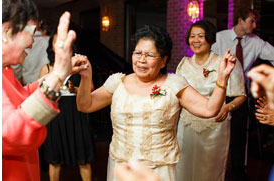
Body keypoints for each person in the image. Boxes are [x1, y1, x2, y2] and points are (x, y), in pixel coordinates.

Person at [76, 25, 236, 180]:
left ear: (163, 61)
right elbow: (85, 105)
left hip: (159, 170)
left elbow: (209, 109)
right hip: (121, 167)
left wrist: (222, 78)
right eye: (137, 53)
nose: (141, 60)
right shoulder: (117, 83)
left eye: (150, 55)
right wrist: (85, 77)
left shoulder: (174, 84)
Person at [0, 0, 83, 178]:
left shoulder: (5, 70)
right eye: (32, 32)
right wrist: (57, 75)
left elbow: (23, 94)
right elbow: (11, 133)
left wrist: (62, 71)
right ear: (6, 31)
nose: (32, 42)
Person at [173, 20, 245, 181]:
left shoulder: (225, 62)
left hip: (214, 127)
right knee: (183, 170)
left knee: (209, 172)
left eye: (200, 36)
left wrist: (227, 107)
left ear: (210, 38)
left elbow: (241, 95)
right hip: (186, 127)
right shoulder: (183, 64)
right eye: (192, 36)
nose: (195, 40)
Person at [210, 8, 274, 180]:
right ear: (240, 20)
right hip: (218, 92)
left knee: (239, 139)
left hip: (240, 95)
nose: (254, 25)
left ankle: (238, 175)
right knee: (215, 136)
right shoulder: (218, 38)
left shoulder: (256, 42)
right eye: (251, 21)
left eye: (255, 22)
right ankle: (216, 174)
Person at [37, 35, 94, 180]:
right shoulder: (47, 68)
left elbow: (91, 89)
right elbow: (39, 92)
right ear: (52, 46)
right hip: (54, 114)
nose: (61, 45)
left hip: (76, 113)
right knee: (54, 158)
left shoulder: (81, 64)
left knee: (83, 158)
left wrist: (75, 89)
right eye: (57, 41)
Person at [12, 20, 51, 86]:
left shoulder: (19, 43)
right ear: (39, 24)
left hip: (28, 84)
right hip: (47, 84)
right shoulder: (50, 41)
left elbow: (16, 70)